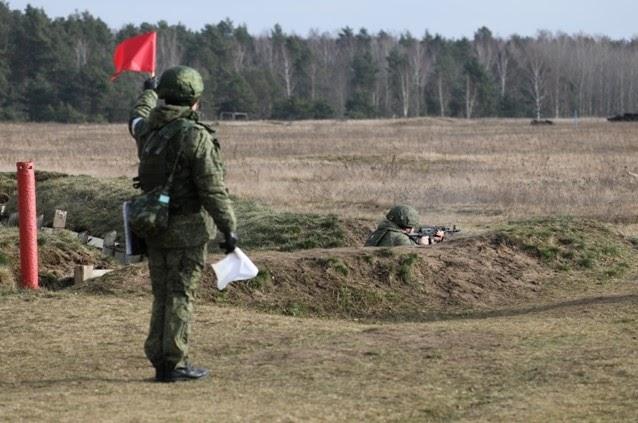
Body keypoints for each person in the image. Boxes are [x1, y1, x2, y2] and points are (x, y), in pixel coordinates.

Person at [129, 65, 237, 383]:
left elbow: (135, 116)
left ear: (163, 96)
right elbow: (212, 189)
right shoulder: (195, 136)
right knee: (181, 295)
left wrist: (147, 90)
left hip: (153, 228)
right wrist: (229, 228)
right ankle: (174, 363)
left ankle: (161, 360)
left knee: (162, 295)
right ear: (194, 102)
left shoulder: (147, 129)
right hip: (187, 231)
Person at [364, 205, 443, 247]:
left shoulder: (382, 231)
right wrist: (424, 246)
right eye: (411, 227)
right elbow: (414, 261)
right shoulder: (400, 238)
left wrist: (432, 241)